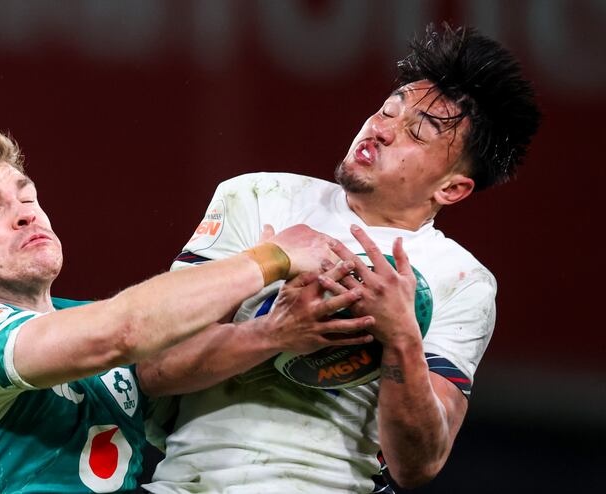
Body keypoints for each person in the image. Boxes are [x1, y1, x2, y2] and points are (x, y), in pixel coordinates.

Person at [139, 23, 541, 493]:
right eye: (387, 111)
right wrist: (271, 326)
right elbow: (153, 370)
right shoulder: (257, 197)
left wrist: (401, 340)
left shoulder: (462, 280)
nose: (383, 130)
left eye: (417, 132)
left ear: (451, 188)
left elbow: (418, 466)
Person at [0, 126, 377, 493]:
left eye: (28, 196)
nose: (26, 212)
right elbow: (122, 331)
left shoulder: (76, 323)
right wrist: (270, 258)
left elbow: (164, 363)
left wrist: (276, 331)